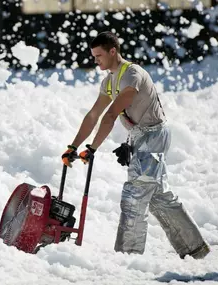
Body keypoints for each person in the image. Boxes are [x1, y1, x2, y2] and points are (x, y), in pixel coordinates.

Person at [61, 31, 210, 259]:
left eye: (99, 55)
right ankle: (195, 248)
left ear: (113, 51)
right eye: (94, 56)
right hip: (139, 137)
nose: (96, 60)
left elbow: (110, 115)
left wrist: (92, 148)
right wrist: (73, 147)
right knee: (158, 195)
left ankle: (127, 256)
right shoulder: (109, 81)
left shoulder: (131, 75)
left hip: (154, 136)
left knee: (135, 194)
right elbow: (93, 115)